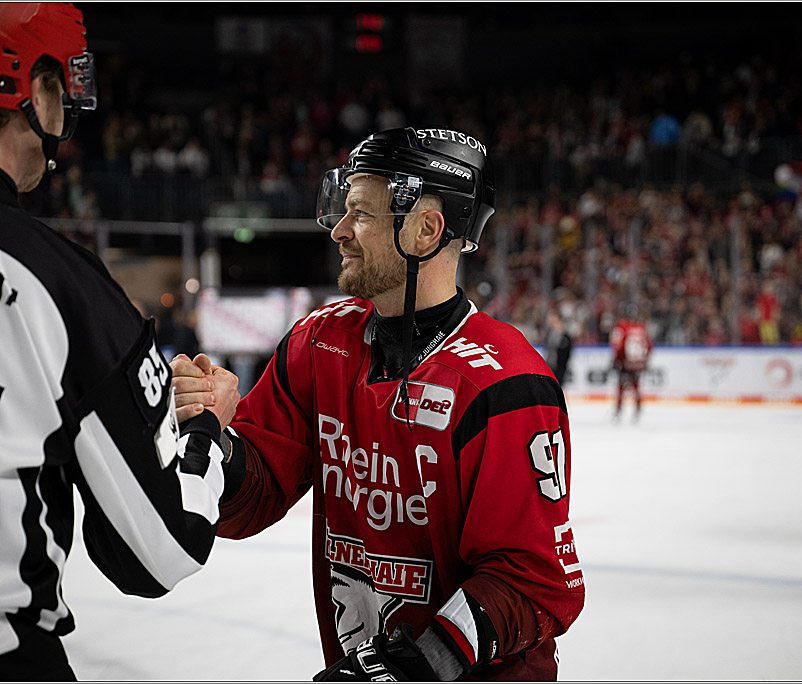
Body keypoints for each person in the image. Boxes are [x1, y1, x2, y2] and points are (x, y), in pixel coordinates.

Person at [172, 127, 585, 680]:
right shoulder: (318, 344)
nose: (339, 230)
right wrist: (214, 436)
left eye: (362, 213)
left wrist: (413, 665)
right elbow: (254, 496)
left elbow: (534, 581)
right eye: (344, 210)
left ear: (426, 230)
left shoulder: (504, 383)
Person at [0, 4, 240, 680]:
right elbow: (157, 552)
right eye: (61, 85)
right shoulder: (57, 283)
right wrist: (207, 427)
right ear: (32, 90)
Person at [610, 308, 652, 422]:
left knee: (621, 386)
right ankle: (638, 410)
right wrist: (644, 360)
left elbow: (618, 345)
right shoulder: (641, 328)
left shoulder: (622, 327)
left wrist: (617, 359)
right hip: (638, 362)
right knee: (636, 386)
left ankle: (618, 410)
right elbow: (649, 345)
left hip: (625, 361)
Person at [544, 309, 573, 388]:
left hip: (558, 364)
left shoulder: (562, 334)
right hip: (551, 362)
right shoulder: (551, 332)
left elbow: (565, 351)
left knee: (557, 384)